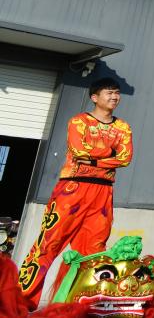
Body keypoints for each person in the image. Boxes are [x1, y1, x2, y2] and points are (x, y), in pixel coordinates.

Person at [18, 78, 133, 310]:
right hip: (72, 189)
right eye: (109, 93)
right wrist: (108, 153)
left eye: (117, 93)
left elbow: (125, 159)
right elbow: (78, 150)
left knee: (94, 250)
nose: (114, 97)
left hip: (103, 192)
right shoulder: (79, 121)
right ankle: (20, 300)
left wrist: (93, 157)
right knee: (48, 243)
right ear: (95, 97)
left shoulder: (123, 127)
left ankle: (76, 304)